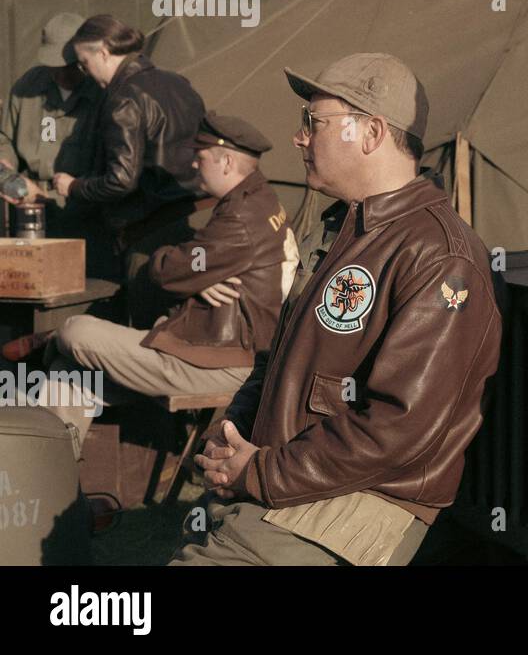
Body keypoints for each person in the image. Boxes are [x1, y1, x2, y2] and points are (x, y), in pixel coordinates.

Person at [174, 53, 503, 566]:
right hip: (291, 479)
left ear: (370, 134)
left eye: (314, 122)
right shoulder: (340, 230)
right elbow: (277, 361)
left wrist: (260, 471)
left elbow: (400, 427)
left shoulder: (440, 255)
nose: (298, 137)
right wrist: (233, 436)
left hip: (366, 498)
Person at [33, 113, 297, 453]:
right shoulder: (260, 199)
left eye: (200, 157)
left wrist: (185, 270)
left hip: (220, 360)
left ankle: (47, 346)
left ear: (227, 162)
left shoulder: (240, 218)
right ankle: (49, 481)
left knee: (74, 331)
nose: (193, 164)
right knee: (68, 372)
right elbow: (191, 267)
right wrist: (199, 277)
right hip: (207, 346)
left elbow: (167, 271)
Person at [56, 15, 207, 325]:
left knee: (144, 328)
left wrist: (73, 186)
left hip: (151, 233)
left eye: (84, 63)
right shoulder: (178, 82)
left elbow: (120, 180)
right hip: (196, 219)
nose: (84, 72)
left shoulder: (122, 98)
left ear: (102, 52)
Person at [0, 12, 105, 254]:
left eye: (68, 66)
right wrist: (6, 170)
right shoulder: (28, 86)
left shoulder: (102, 91)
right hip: (31, 207)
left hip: (86, 210)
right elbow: (4, 138)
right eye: (53, 66)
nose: (60, 73)